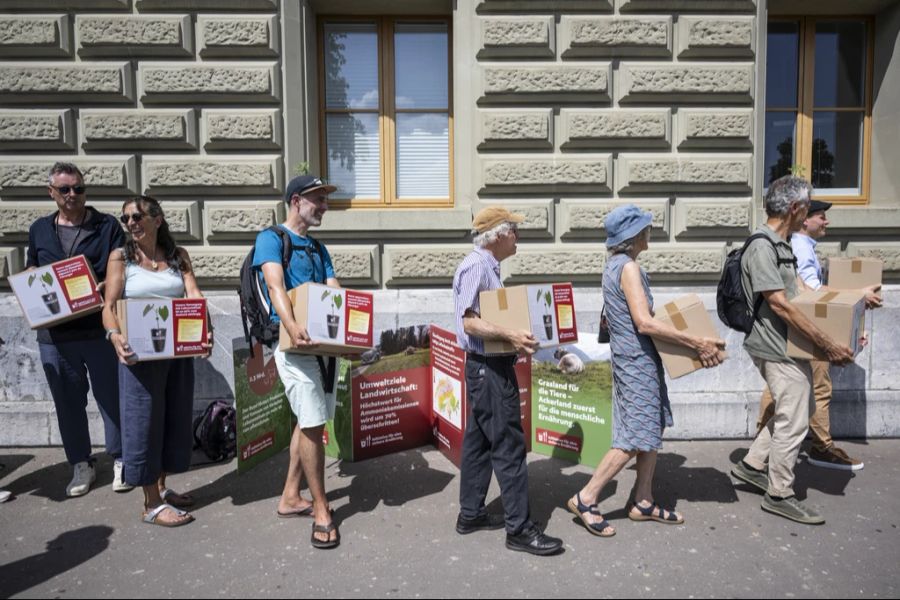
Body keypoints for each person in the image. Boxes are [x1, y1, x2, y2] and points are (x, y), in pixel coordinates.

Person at [566, 205, 725, 537]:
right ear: (635, 235)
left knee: (649, 428)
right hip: (636, 361)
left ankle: (643, 500)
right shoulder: (629, 268)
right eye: (646, 228)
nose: (650, 232)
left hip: (633, 359)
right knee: (634, 437)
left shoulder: (615, 266)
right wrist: (696, 341)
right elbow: (644, 322)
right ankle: (586, 497)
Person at [731, 175, 855, 525]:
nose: (813, 213)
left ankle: (752, 465)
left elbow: (803, 295)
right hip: (772, 345)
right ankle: (780, 493)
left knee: (797, 408)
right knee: (795, 415)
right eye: (809, 206)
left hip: (787, 345)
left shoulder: (782, 244)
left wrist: (852, 306)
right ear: (796, 208)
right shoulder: (762, 246)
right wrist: (826, 343)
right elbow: (781, 305)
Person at [453, 207, 563, 556]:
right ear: (497, 235)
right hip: (489, 369)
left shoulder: (487, 267)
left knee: (479, 442)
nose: (518, 236)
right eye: (514, 230)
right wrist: (511, 335)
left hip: (486, 367)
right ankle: (519, 529)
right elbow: (468, 322)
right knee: (509, 447)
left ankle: (470, 514)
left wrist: (517, 336)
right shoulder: (476, 266)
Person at [102, 196, 213, 527]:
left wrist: (204, 330)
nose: (132, 223)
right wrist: (114, 337)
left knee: (172, 419)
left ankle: (161, 489)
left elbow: (193, 294)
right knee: (144, 423)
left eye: (137, 216)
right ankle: (150, 504)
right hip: (139, 356)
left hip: (176, 352)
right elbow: (108, 305)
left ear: (157, 219)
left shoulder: (178, 257)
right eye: (126, 219)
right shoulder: (121, 258)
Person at [26, 162, 130, 497]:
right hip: (55, 335)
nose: (73, 195)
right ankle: (80, 463)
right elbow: (32, 267)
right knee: (67, 402)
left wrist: (103, 287)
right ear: (51, 192)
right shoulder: (40, 229)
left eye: (79, 189)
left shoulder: (107, 225)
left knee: (111, 397)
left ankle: (121, 458)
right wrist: (30, 289)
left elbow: (119, 265)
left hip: (98, 326)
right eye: (65, 189)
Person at [755, 200, 882, 471]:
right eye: (821, 217)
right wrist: (859, 295)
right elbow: (810, 292)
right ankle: (820, 447)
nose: (826, 222)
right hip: (810, 328)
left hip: (806, 327)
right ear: (804, 220)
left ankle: (760, 452)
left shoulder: (798, 246)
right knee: (816, 389)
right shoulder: (798, 246)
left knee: (783, 389)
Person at [255, 175, 341, 549]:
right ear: (295, 200)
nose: (324, 206)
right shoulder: (272, 239)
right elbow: (275, 286)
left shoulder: (319, 249)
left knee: (309, 419)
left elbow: (335, 292)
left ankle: (291, 496)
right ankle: (321, 510)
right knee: (313, 421)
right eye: (317, 199)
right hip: (292, 345)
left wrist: (354, 332)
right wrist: (291, 327)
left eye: (325, 200)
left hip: (323, 348)